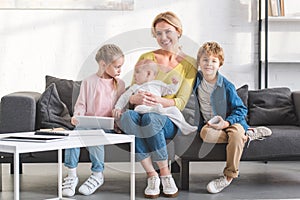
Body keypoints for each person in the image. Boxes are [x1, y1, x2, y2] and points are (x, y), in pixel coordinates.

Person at [118, 11, 197, 198]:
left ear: (178, 31)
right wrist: (133, 99)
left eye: (168, 32)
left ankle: (165, 174)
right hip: (141, 112)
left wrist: (158, 101)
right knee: (127, 117)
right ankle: (152, 175)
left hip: (166, 117)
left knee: (152, 117)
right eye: (158, 33)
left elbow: (180, 101)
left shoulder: (189, 64)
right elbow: (133, 89)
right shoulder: (147, 57)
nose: (163, 38)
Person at [193, 41, 272, 194]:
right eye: (205, 60)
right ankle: (247, 136)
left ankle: (228, 176)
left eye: (214, 61)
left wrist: (227, 122)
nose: (209, 64)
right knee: (205, 134)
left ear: (219, 64)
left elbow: (241, 109)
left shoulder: (226, 86)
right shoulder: (196, 80)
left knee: (235, 135)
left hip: (232, 121)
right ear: (199, 62)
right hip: (212, 125)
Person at [62, 44, 125, 197]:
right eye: (117, 67)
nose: (120, 70)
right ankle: (71, 175)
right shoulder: (88, 82)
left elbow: (122, 106)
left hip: (107, 126)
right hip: (87, 125)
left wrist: (118, 119)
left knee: (95, 134)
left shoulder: (120, 84)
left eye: (121, 67)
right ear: (103, 64)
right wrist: (77, 116)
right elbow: (81, 104)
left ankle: (97, 174)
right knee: (74, 135)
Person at [113, 59, 197, 135]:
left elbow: (170, 90)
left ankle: (185, 127)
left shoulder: (158, 84)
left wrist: (175, 84)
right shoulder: (135, 87)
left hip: (158, 108)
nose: (134, 75)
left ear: (149, 74)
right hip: (143, 109)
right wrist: (118, 107)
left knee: (174, 110)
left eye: (137, 72)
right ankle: (154, 110)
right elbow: (124, 97)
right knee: (139, 109)